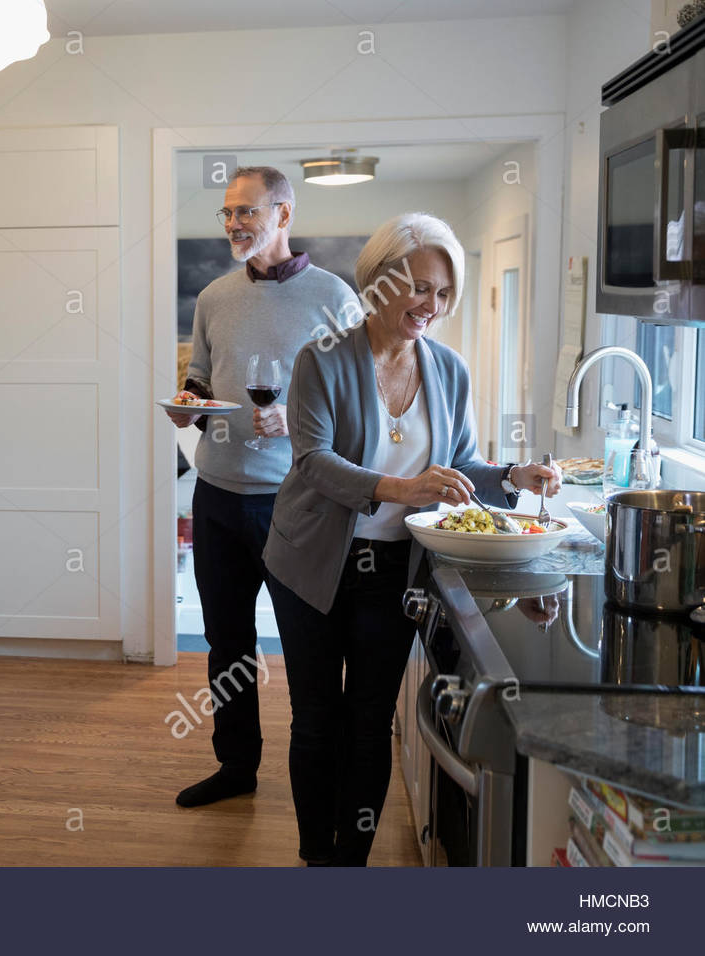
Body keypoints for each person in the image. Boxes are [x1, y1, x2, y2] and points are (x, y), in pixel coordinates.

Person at [262, 213, 560, 865]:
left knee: (369, 720)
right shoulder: (325, 357)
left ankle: (350, 862)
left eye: (444, 294)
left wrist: (513, 475)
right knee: (317, 718)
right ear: (380, 280)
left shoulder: (448, 370)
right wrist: (404, 489)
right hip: (311, 561)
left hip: (393, 571)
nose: (432, 306)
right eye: (420, 287)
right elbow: (311, 460)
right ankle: (317, 857)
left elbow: (459, 469)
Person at [167, 167, 361, 808]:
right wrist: (187, 405)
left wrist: (296, 419)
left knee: (308, 646)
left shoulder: (335, 298)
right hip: (217, 494)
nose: (233, 225)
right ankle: (236, 767)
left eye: (245, 212)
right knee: (227, 644)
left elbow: (358, 405)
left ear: (283, 214)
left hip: (296, 503)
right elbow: (198, 376)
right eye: (226, 214)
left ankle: (320, 776)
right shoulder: (214, 298)